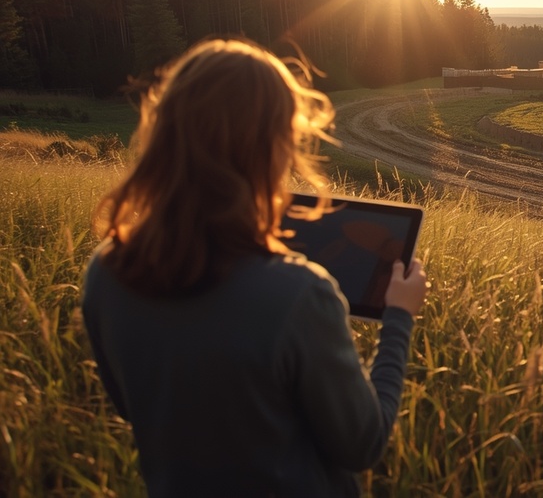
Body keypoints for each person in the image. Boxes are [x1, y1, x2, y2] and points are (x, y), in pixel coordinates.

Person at [82, 38, 428, 497]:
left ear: (165, 132)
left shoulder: (106, 273)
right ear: (272, 150)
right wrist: (399, 317)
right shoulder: (300, 295)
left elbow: (135, 406)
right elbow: (363, 444)